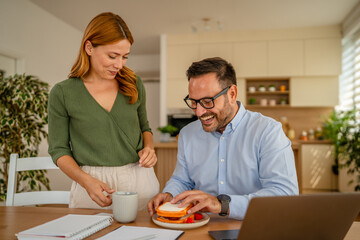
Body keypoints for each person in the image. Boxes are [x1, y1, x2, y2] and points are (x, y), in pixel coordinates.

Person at [148, 57, 298, 220]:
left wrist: (223, 205)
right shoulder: (187, 135)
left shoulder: (267, 131)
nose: (198, 112)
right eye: (193, 102)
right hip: (201, 227)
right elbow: (182, 180)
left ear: (232, 94)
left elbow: (284, 194)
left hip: (253, 226)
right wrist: (170, 194)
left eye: (207, 101)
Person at [48, 12, 159, 210]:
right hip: (90, 186)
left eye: (125, 57)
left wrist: (149, 148)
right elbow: (59, 150)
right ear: (89, 47)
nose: (119, 64)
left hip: (139, 182)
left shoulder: (134, 83)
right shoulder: (62, 93)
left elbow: (145, 127)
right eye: (112, 56)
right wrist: (85, 181)